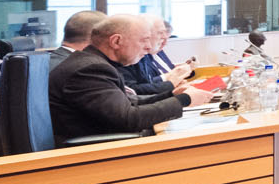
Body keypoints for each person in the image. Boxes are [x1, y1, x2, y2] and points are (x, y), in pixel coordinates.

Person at [48, 14, 210, 145]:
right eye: (143, 39)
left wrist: (172, 95)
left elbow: (128, 103)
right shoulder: (89, 70)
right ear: (116, 41)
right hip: (96, 154)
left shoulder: (95, 63)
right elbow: (129, 118)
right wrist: (184, 100)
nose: (148, 47)